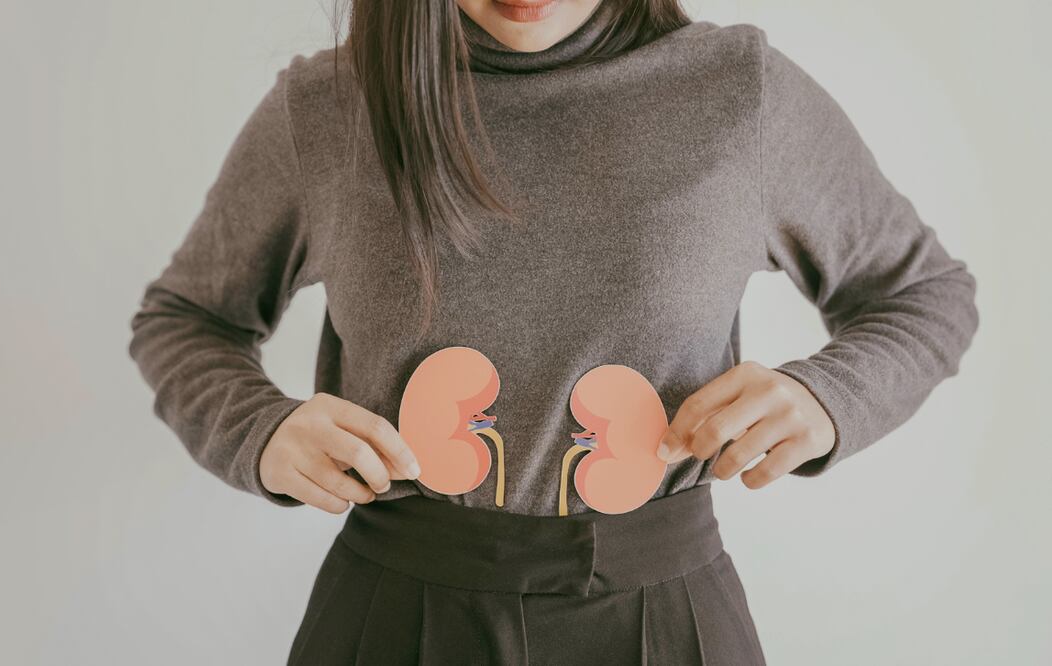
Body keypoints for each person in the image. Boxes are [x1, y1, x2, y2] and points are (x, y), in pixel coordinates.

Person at [128, 0, 980, 663]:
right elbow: (186, 318)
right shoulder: (324, 111)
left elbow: (924, 294)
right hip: (394, 614)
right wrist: (259, 429)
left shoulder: (740, 92)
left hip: (666, 618)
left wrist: (826, 397)